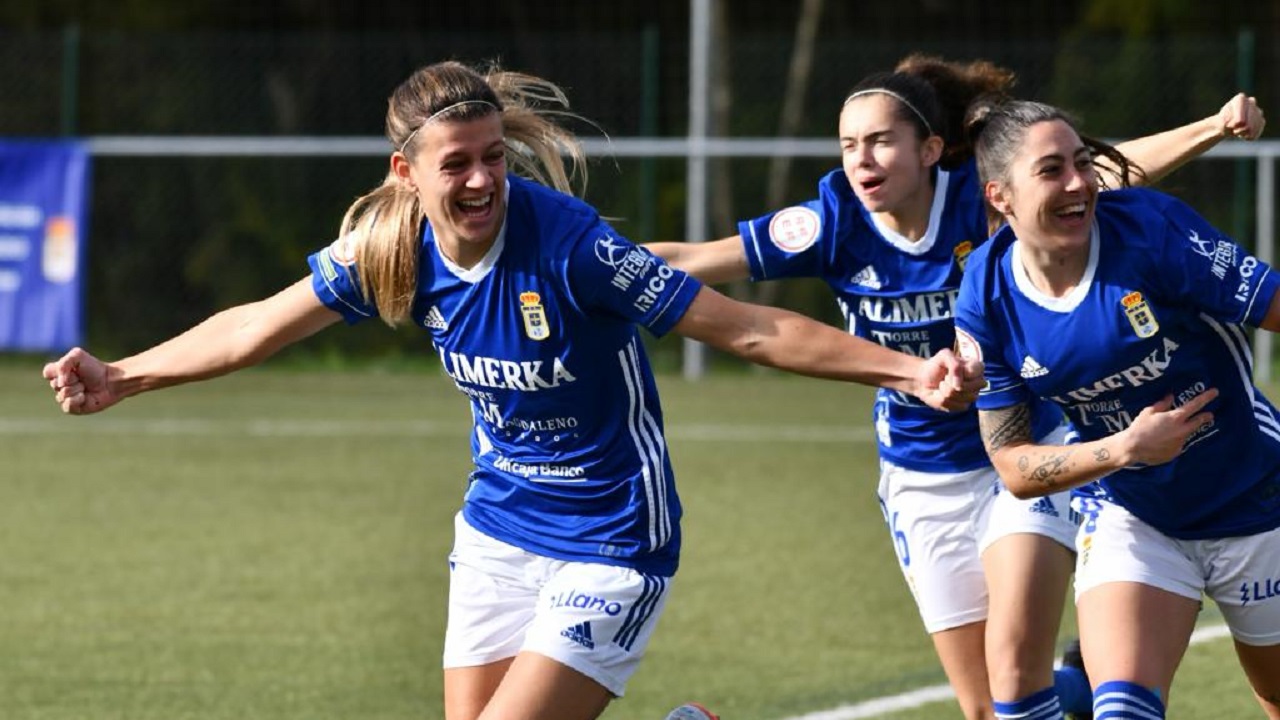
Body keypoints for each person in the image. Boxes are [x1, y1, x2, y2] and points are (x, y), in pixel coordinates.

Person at [41, 60, 983, 720]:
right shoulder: (387, 248)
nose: (486, 177)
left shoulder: (572, 245)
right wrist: (123, 375)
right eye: (459, 163)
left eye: (495, 155)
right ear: (406, 174)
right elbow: (254, 324)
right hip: (497, 533)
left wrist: (912, 368)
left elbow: (747, 326)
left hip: (614, 540)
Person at [648, 54, 1265, 720]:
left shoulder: (984, 199)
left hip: (1023, 451)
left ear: (931, 150)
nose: (864, 159)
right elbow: (690, 260)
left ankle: (1093, 677)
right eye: (850, 145)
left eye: (882, 140)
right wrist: (583, 263)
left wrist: (1210, 128)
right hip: (921, 472)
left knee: (1012, 661)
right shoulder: (833, 221)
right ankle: (1081, 689)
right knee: (991, 709)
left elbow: (1103, 175)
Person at [954, 97, 1280, 720]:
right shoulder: (987, 293)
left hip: (1255, 496)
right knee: (1123, 710)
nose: (1080, 183)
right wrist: (1125, 450)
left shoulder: (1152, 231)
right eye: (1052, 170)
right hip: (1135, 515)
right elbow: (1015, 468)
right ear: (1001, 197)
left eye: (1083, 162)